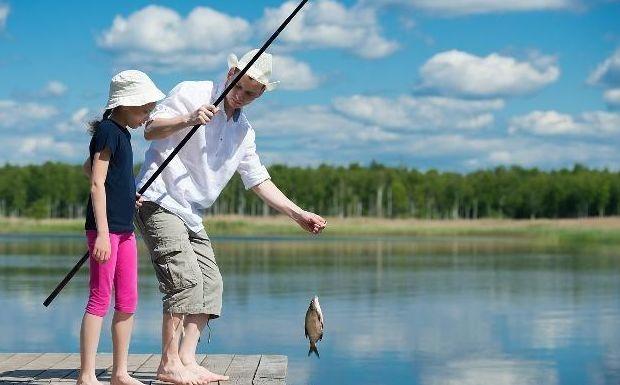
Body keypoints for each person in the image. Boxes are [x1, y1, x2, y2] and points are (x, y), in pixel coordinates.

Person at [134, 49, 327, 385]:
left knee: (211, 284)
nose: (240, 95)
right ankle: (168, 364)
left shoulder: (244, 132)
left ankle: (187, 359)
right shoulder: (192, 92)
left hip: (192, 213)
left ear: (261, 94)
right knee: (183, 282)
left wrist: (298, 214)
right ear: (231, 73)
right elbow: (150, 129)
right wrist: (188, 119)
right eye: (238, 85)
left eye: (250, 93)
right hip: (158, 199)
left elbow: (257, 179)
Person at [78, 70, 165, 385]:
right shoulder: (107, 131)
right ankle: (87, 375)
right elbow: (96, 182)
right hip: (106, 232)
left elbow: (90, 167)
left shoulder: (123, 134)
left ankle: (120, 373)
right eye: (144, 110)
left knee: (128, 299)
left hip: (125, 230)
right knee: (100, 297)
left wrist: (129, 193)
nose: (147, 116)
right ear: (126, 104)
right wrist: (101, 233)